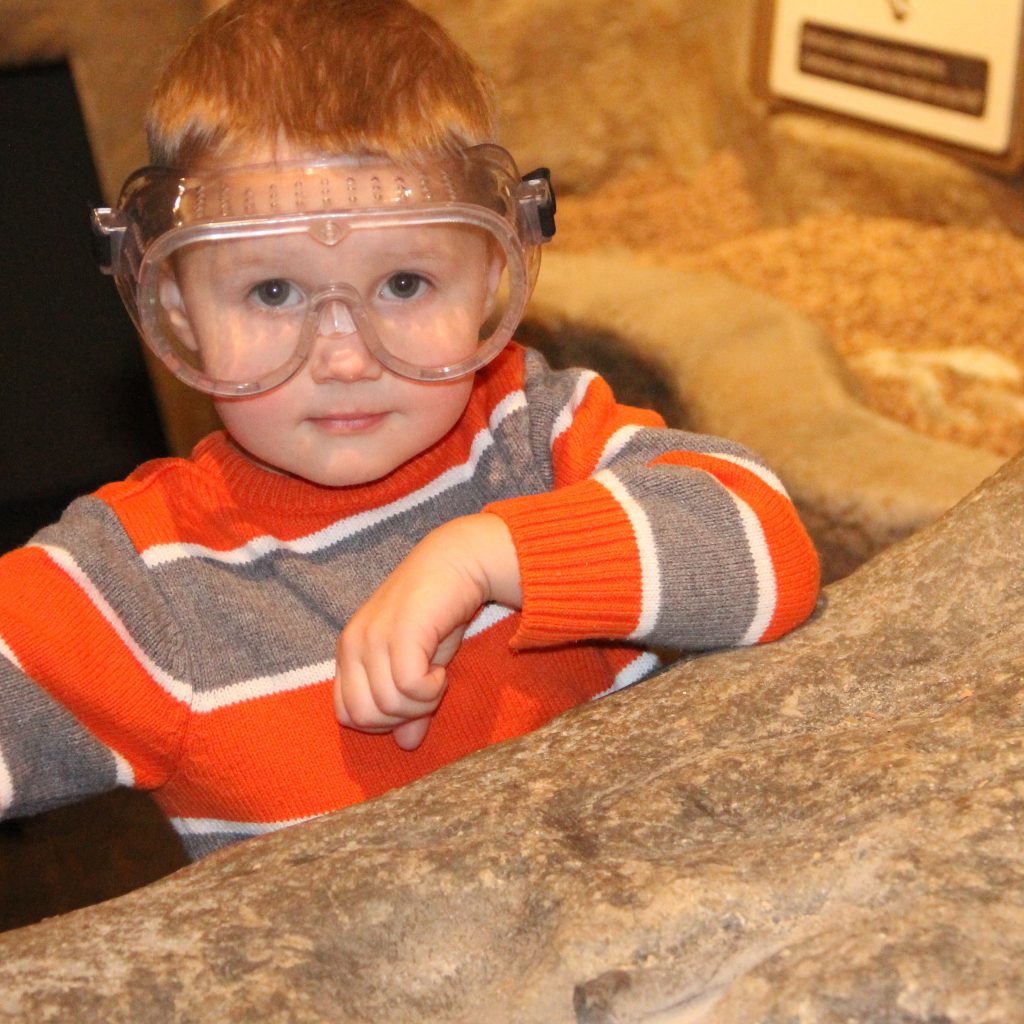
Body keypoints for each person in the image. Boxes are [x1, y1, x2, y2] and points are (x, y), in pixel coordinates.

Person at [0, 0, 820, 860]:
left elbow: (770, 544)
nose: (345, 355)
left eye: (402, 284)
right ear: (178, 310)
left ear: (489, 282)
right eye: (273, 292)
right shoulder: (146, 585)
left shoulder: (535, 435)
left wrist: (486, 555)